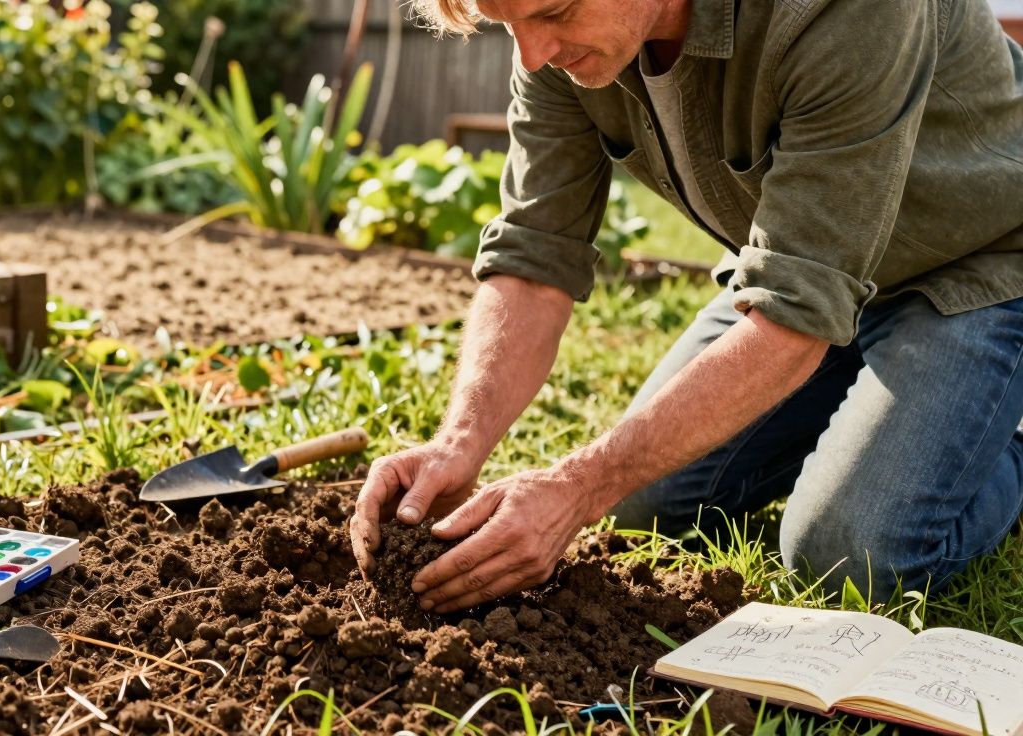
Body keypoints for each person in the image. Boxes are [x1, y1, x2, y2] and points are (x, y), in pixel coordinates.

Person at [349, 0, 1023, 614]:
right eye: (509, 25)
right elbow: (533, 259)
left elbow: (791, 317)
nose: (531, 53)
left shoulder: (846, 11)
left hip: (980, 265)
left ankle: (1001, 441)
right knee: (642, 504)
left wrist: (579, 484)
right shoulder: (556, 47)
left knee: (847, 557)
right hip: (809, 278)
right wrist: (459, 440)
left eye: (554, 13)